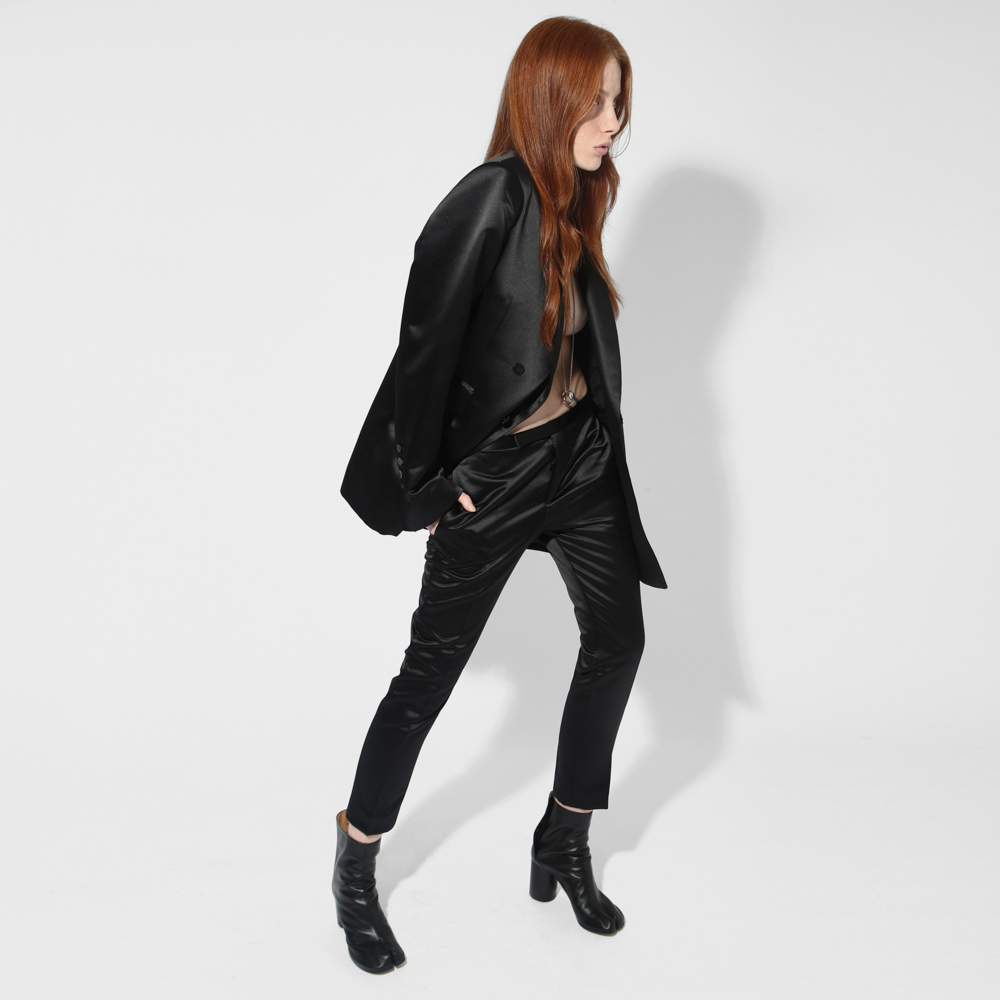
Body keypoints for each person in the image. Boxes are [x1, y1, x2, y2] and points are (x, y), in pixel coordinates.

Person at [334, 16, 666, 974]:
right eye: (597, 101)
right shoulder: (491, 196)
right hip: (498, 475)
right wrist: (430, 485)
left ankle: (563, 836)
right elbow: (423, 353)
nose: (614, 120)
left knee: (618, 641)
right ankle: (355, 861)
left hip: (581, 459)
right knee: (428, 676)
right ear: (551, 97)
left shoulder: (579, 196)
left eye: (619, 101)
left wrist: (590, 438)